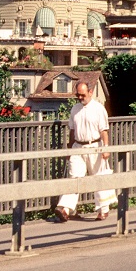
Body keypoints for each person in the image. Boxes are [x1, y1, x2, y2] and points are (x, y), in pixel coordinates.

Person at [55, 82, 114, 222]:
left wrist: (106, 149)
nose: (80, 97)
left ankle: (103, 210)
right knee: (74, 177)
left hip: (94, 145)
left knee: (98, 178)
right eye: (78, 95)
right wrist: (69, 148)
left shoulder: (99, 108)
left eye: (83, 94)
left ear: (90, 92)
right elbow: (72, 130)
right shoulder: (75, 109)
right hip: (78, 146)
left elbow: (104, 130)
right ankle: (65, 208)